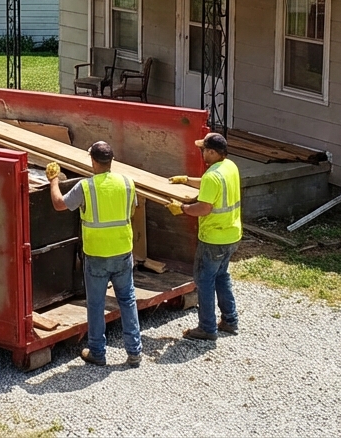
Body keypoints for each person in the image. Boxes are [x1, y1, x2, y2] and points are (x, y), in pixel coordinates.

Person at [47, 141, 143, 367]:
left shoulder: (86, 187)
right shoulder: (128, 183)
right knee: (128, 300)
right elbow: (132, 211)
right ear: (112, 160)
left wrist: (53, 180)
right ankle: (134, 352)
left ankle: (98, 352)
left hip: (97, 254)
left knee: (96, 304)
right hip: (122, 252)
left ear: (92, 161)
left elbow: (60, 204)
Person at [166, 132, 241, 341]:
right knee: (221, 277)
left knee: (205, 280)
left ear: (212, 152)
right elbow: (211, 187)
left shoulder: (212, 175)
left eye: (203, 150)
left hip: (213, 238)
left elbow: (204, 208)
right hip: (231, 235)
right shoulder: (230, 167)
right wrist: (187, 180)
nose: (201, 153)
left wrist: (182, 208)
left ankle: (207, 328)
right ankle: (230, 321)